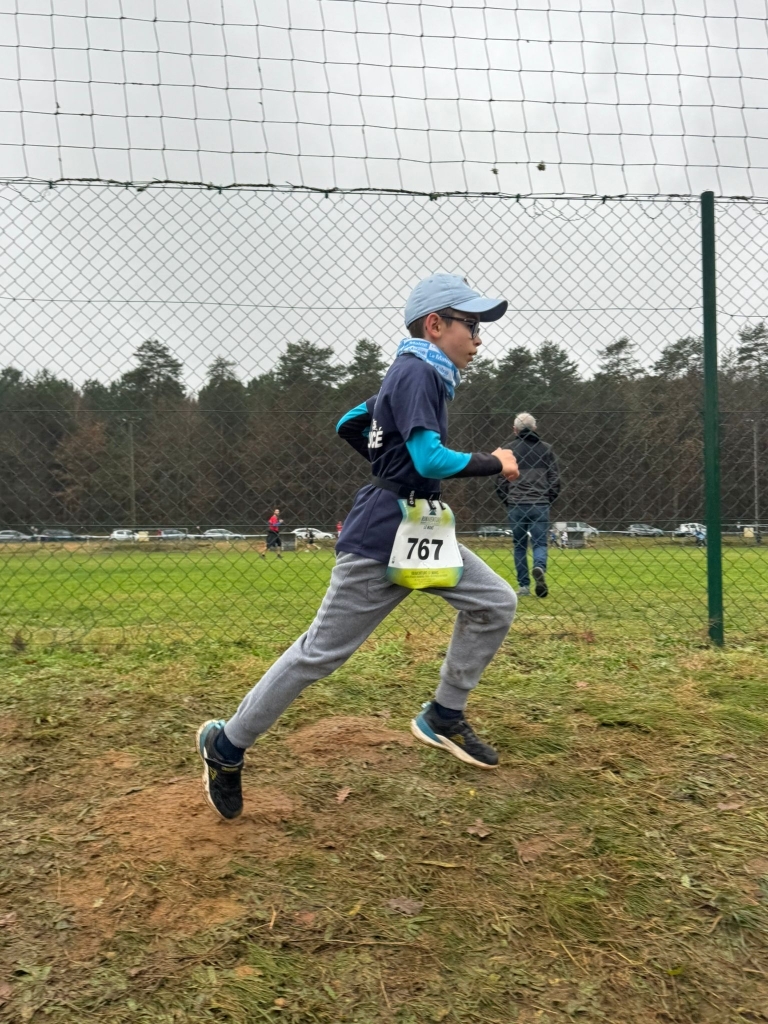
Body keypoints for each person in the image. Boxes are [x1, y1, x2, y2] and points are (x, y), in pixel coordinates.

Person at [195, 274, 520, 820]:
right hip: (381, 534)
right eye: (471, 325)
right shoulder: (417, 371)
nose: (479, 338)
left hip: (420, 527)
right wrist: (495, 462)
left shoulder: (415, 373)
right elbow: (429, 459)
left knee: (495, 602)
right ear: (435, 325)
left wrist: (387, 460)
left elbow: (350, 422)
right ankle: (225, 746)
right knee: (320, 653)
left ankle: (443, 715)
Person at [495, 413, 560, 598]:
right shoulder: (546, 449)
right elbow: (554, 479)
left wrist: (508, 499)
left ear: (514, 430)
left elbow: (500, 481)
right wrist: (548, 498)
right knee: (540, 543)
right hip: (540, 503)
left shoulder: (508, 450)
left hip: (516, 504)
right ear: (535, 428)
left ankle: (524, 586)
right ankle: (539, 567)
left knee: (519, 546)